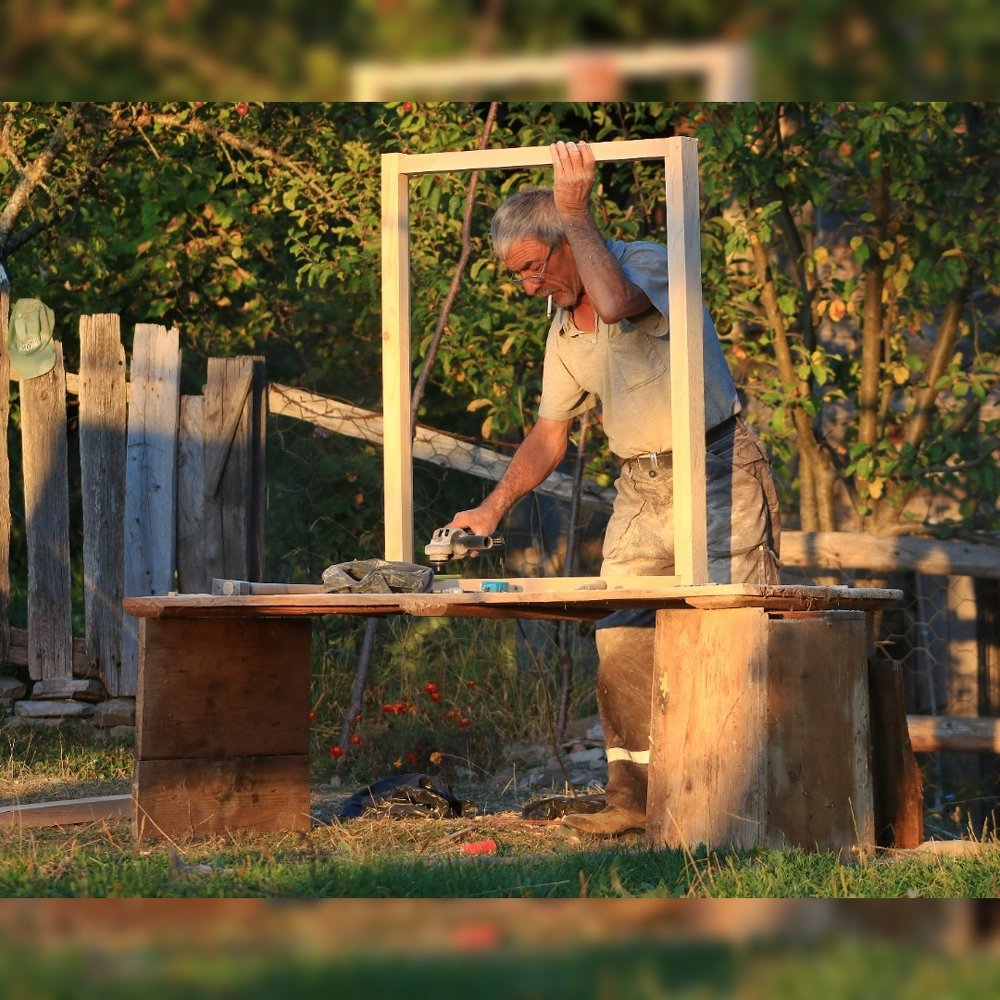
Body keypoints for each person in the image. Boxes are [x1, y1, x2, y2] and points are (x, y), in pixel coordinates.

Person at [446, 140, 781, 836]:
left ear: (567, 241)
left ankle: (741, 810)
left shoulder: (646, 261)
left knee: (734, 631)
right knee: (622, 636)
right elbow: (549, 435)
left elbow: (618, 303)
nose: (527, 286)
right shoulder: (561, 330)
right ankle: (633, 803)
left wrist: (577, 211)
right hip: (642, 485)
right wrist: (491, 507)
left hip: (718, 468)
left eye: (533, 267)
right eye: (516, 276)